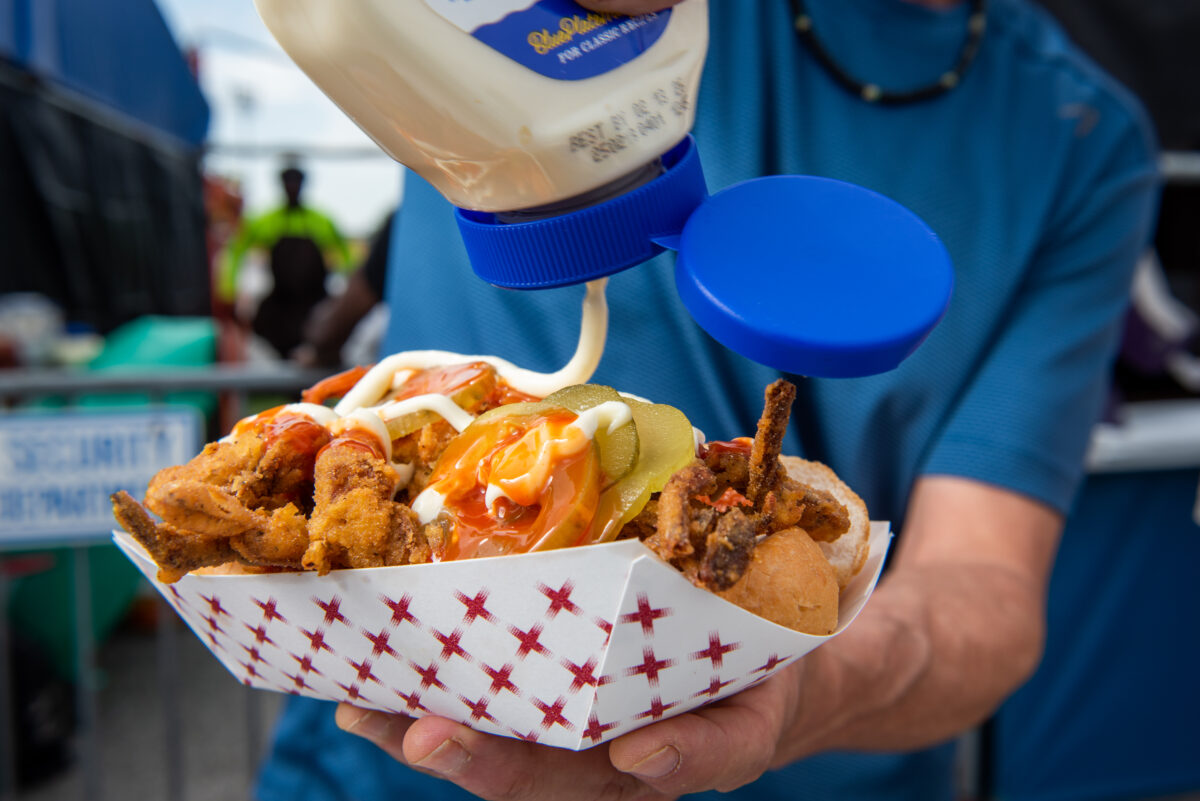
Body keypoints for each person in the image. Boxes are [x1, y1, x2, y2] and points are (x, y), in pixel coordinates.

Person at [254, 0, 1160, 799]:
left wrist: (791, 684)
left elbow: (984, 586)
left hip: (816, 767)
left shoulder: (1082, 137)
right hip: (388, 753)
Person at [218, 163, 352, 359]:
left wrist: (346, 291)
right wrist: (228, 289)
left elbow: (347, 256)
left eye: (296, 183)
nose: (292, 188)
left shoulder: (321, 220)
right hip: (278, 305)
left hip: (313, 302)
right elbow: (236, 251)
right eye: (288, 183)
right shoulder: (264, 221)